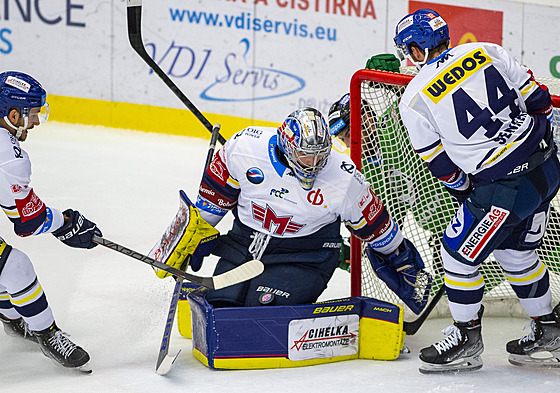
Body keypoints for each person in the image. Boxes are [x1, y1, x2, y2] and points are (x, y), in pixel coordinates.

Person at [393, 9, 560, 372]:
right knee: (518, 256)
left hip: (505, 189)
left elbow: (442, 167)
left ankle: (466, 338)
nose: (408, 57)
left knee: (455, 255)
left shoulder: (414, 98)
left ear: (417, 49)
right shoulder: (488, 49)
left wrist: (470, 189)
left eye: (409, 50)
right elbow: (540, 101)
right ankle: (550, 330)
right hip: (547, 171)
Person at [183, 107, 430, 312]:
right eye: (304, 156)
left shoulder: (343, 177)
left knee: (263, 308)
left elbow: (377, 226)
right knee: (220, 306)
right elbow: (213, 202)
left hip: (305, 257)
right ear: (288, 147)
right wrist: (192, 237)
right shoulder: (244, 147)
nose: (313, 165)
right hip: (242, 246)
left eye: (319, 156)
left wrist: (400, 257)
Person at [0, 71, 102, 372]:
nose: (34, 122)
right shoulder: (9, 155)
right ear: (13, 114)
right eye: (31, 115)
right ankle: (46, 333)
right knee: (15, 267)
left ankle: (13, 318)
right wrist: (66, 223)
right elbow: (26, 220)